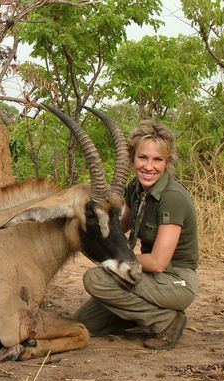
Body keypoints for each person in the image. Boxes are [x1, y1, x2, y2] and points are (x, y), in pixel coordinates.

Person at [74, 120, 199, 350]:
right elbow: (119, 228)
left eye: (157, 160)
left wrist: (112, 261)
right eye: (143, 158)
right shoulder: (136, 188)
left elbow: (158, 262)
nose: (149, 167)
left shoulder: (172, 197)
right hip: (148, 280)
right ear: (133, 158)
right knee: (83, 323)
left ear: (167, 162)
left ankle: (166, 320)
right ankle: (142, 313)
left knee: (96, 279)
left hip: (176, 282)